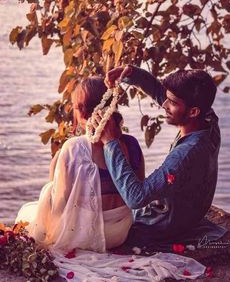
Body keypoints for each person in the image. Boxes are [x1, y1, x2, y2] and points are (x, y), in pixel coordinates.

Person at [16, 76, 145, 252]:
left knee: (28, 212)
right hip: (120, 232)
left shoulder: (74, 147)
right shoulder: (132, 144)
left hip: (90, 235)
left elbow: (60, 207)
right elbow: (138, 194)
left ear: (81, 111)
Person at [98, 65, 221, 245]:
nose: (164, 105)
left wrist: (110, 144)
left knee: (96, 228)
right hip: (190, 214)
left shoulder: (185, 155)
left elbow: (135, 198)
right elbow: (162, 94)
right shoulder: (208, 120)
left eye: (172, 103)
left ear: (193, 112)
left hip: (164, 225)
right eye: (167, 98)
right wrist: (132, 74)